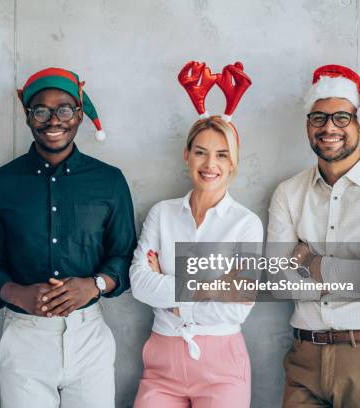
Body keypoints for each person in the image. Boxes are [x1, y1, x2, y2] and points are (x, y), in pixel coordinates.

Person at [0, 67, 137, 408]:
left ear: (79, 114)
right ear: (27, 116)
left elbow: (124, 256)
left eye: (63, 109)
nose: (53, 121)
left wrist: (94, 285)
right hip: (24, 336)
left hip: (90, 335)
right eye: (41, 111)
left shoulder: (109, 181)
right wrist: (19, 293)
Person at [267, 64, 360, 407]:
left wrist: (310, 262)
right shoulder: (288, 193)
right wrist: (356, 272)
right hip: (304, 356)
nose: (328, 127)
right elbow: (278, 281)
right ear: (308, 125)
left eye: (341, 118)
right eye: (318, 117)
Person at [130, 61, 261, 408]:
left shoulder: (246, 224)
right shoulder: (162, 213)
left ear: (233, 162)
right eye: (201, 152)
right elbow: (140, 284)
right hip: (161, 359)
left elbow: (236, 310)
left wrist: (171, 290)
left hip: (223, 364)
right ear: (187, 156)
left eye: (221, 155)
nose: (209, 164)